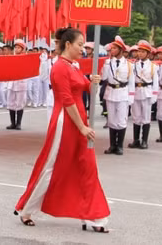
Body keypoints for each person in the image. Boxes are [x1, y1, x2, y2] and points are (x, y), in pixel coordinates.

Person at [14, 27, 109, 232]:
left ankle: (93, 216)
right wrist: (82, 127)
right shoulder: (58, 68)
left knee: (88, 167)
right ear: (68, 45)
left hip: (80, 122)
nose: (83, 49)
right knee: (53, 167)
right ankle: (27, 209)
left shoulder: (73, 66)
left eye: (84, 45)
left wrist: (94, 82)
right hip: (65, 123)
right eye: (80, 45)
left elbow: (85, 88)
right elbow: (66, 101)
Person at [100, 37, 131, 155]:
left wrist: (131, 98)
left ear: (121, 50)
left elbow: (131, 82)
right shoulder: (108, 63)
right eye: (111, 49)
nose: (111, 50)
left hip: (123, 93)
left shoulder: (128, 65)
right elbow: (103, 78)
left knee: (121, 120)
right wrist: (106, 66)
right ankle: (112, 145)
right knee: (112, 120)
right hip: (110, 92)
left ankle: (120, 146)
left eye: (114, 48)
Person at [127, 41, 155, 149]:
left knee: (146, 117)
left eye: (143, 52)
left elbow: (155, 82)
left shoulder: (153, 66)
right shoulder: (133, 65)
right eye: (139, 52)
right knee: (136, 117)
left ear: (148, 54)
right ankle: (136, 140)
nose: (140, 54)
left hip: (147, 92)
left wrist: (154, 95)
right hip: (136, 92)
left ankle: (144, 141)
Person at [5, 40, 29, 130]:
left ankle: (18, 123)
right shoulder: (12, 57)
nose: (16, 49)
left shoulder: (25, 59)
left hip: (20, 84)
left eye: (18, 48)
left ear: (22, 49)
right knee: (11, 103)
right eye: (15, 47)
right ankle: (12, 123)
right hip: (12, 83)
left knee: (20, 103)